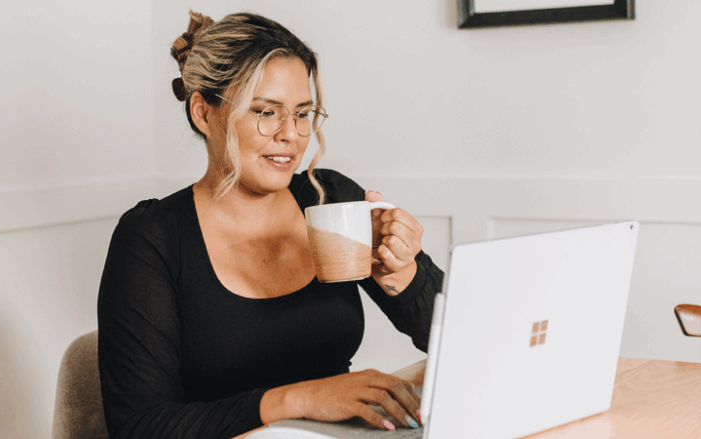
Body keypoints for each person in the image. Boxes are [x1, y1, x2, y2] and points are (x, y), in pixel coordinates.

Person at [96, 10, 444, 439]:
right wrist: (300, 398)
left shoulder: (329, 198)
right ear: (203, 113)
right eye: (265, 112)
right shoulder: (153, 239)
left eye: (302, 113)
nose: (291, 135)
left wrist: (402, 272)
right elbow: (138, 426)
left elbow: (463, 342)